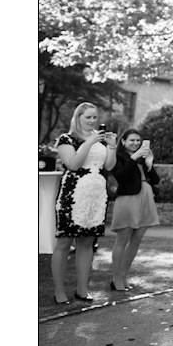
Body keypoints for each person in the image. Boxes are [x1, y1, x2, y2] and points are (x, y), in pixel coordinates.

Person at [51, 102, 118, 304]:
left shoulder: (100, 140)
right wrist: (89, 142)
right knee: (64, 242)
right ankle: (59, 291)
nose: (91, 121)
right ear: (78, 117)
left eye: (94, 117)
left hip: (96, 195)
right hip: (73, 195)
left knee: (87, 242)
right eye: (87, 117)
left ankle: (82, 289)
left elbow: (108, 166)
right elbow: (72, 164)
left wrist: (112, 145)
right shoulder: (66, 139)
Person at [108, 128, 160, 291]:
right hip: (128, 199)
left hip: (146, 198)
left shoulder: (143, 158)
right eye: (132, 140)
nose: (136, 143)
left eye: (138, 140)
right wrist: (134, 158)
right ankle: (116, 278)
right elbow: (121, 177)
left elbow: (156, 180)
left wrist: (149, 164)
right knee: (122, 239)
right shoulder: (118, 157)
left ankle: (123, 275)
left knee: (136, 239)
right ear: (123, 141)